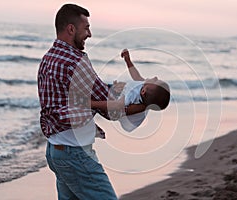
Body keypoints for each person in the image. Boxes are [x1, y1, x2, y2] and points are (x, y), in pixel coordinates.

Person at [37, 4, 144, 200]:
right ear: (71, 29)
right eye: (86, 27)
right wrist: (143, 104)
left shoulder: (47, 58)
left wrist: (115, 90)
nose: (90, 33)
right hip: (74, 155)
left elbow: (80, 96)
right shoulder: (75, 61)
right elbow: (109, 107)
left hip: (55, 151)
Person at [90, 49, 171, 132]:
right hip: (120, 95)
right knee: (103, 87)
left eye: (155, 81)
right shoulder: (144, 86)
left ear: (143, 91)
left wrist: (92, 104)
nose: (155, 77)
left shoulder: (135, 99)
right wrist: (128, 61)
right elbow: (136, 77)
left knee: (96, 93)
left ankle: (90, 120)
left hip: (116, 108)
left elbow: (117, 105)